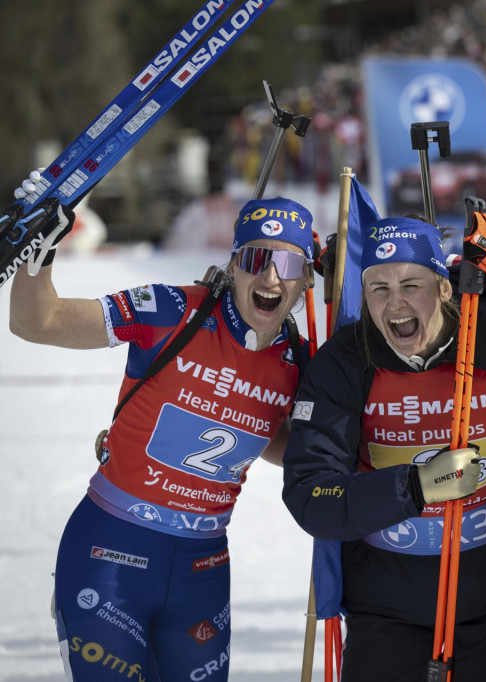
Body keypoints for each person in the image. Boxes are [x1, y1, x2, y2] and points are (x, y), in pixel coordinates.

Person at [281, 215, 486, 681]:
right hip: (385, 604)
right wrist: (413, 488)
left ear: (443, 288)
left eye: (410, 284)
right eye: (378, 288)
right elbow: (310, 495)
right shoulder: (343, 362)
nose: (394, 304)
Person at [8, 188, 315, 680]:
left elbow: (283, 443)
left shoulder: (299, 364)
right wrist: (37, 255)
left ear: (306, 281)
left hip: (203, 568)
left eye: (289, 263)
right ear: (234, 265)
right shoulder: (172, 311)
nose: (271, 276)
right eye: (257, 257)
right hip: (108, 551)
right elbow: (37, 322)